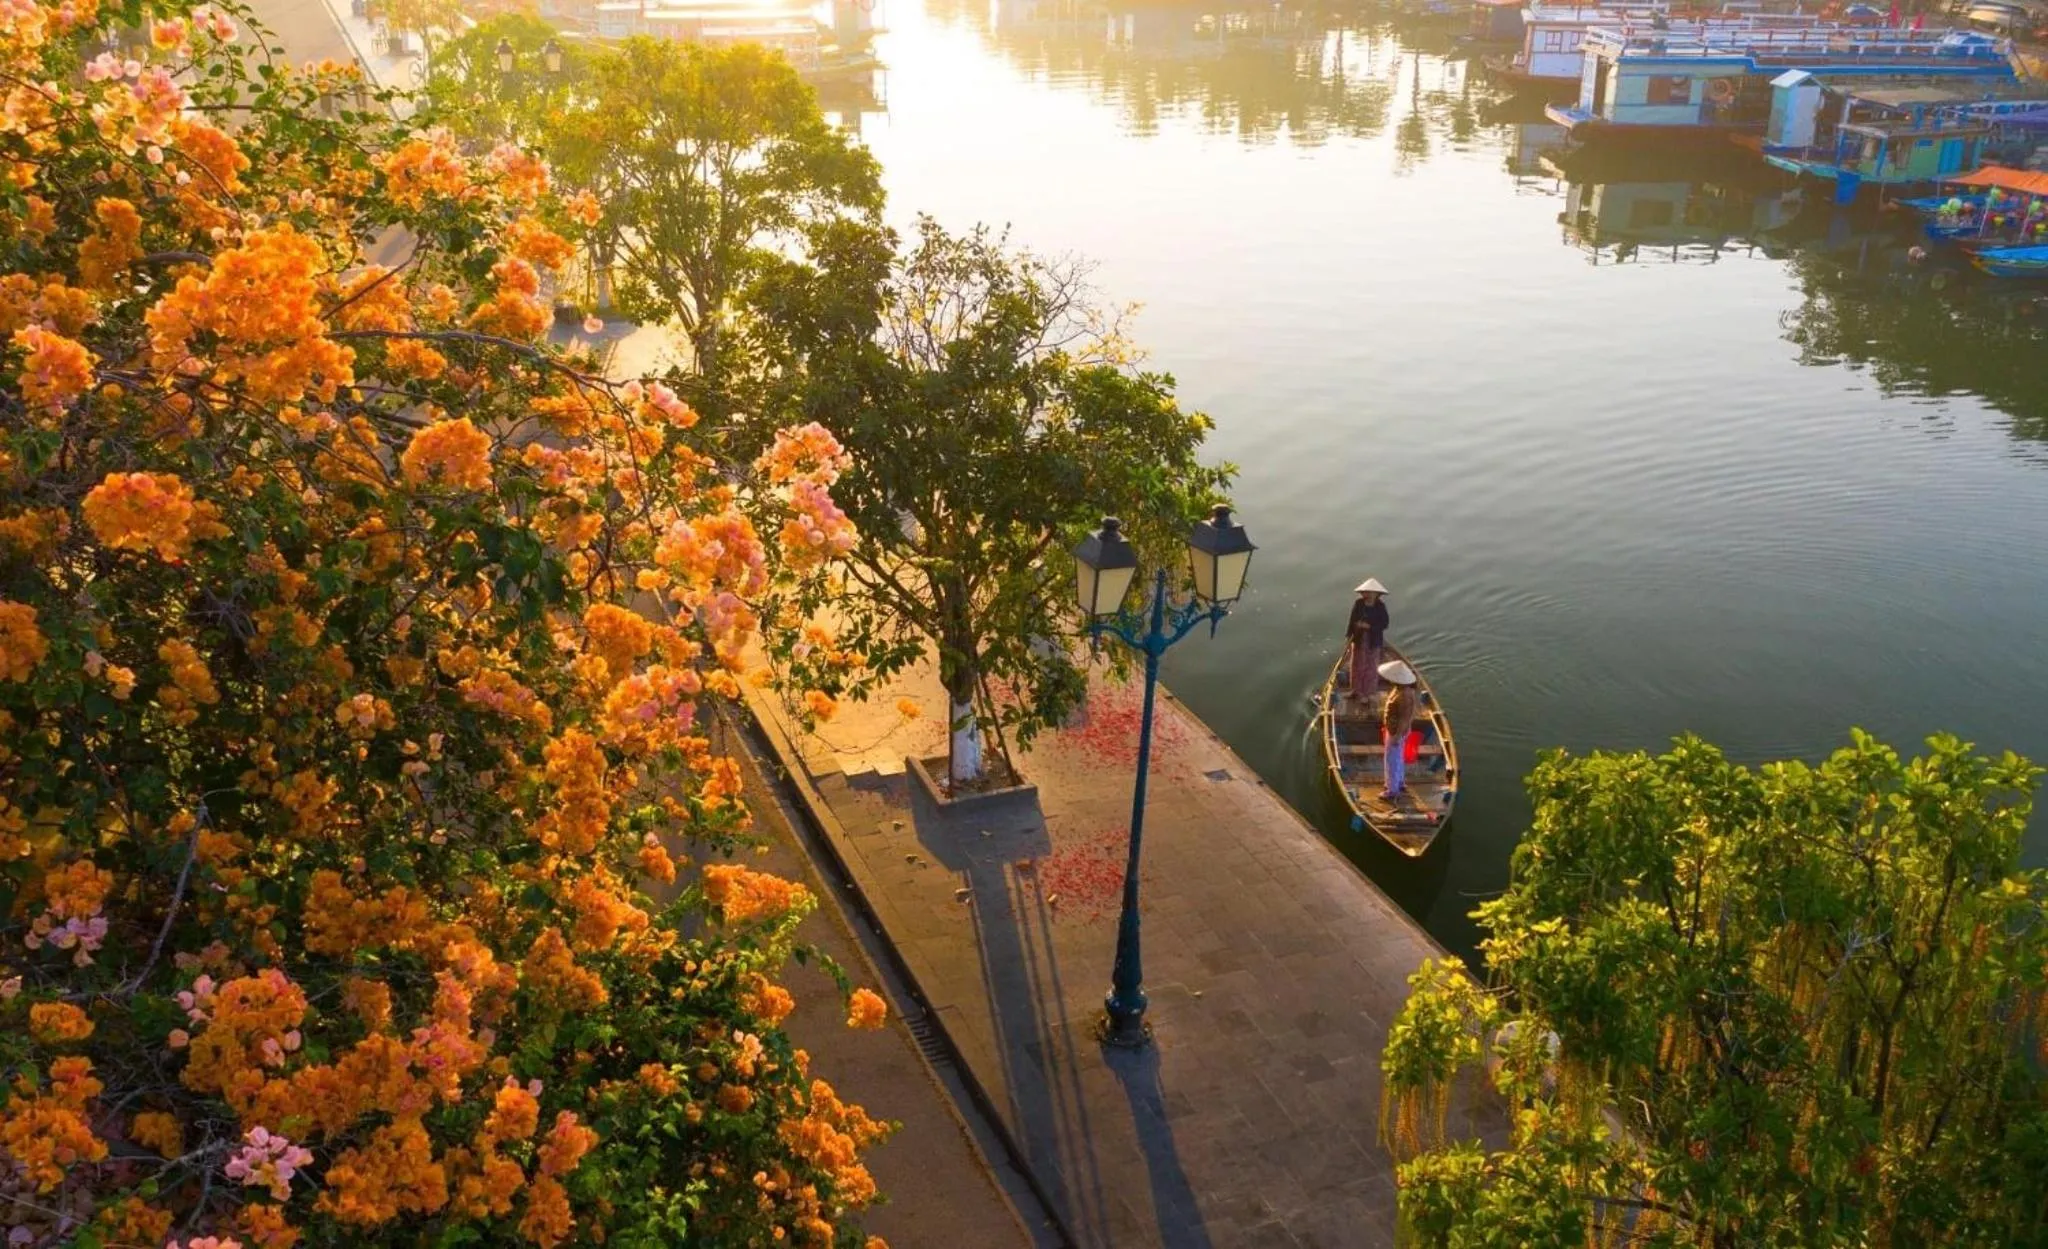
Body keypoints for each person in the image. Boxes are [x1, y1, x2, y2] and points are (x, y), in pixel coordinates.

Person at [1378, 658, 1418, 801]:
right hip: (1396, 730)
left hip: (1396, 732)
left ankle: (1392, 790)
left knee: (1392, 760)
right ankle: (1399, 783)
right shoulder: (1405, 691)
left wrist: (1397, 736)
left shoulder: (1403, 696)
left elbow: (1403, 718)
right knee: (1397, 758)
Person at [1345, 579, 1390, 702]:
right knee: (1356, 665)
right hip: (1359, 639)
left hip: (1373, 641)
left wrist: (1369, 627)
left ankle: (1367, 693)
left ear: (1377, 594)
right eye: (1366, 592)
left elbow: (1384, 624)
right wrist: (1349, 636)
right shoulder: (1359, 603)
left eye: (1371, 592)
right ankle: (1355, 690)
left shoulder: (1380, 606)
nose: (1368, 594)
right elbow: (1352, 620)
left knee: (1370, 666)